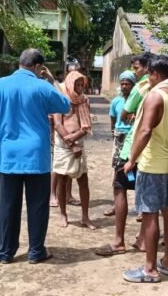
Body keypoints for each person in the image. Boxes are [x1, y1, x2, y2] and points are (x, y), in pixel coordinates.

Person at [0, 49, 70, 264]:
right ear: (39, 67)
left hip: (9, 154)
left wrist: (3, 128)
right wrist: (52, 81)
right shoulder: (42, 86)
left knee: (7, 206)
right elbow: (65, 105)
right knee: (38, 205)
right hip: (35, 155)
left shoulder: (0, 84)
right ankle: (36, 251)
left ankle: (5, 253)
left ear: (20, 63)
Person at [122, 54, 168, 284]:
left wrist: (131, 159)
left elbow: (145, 130)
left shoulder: (155, 96)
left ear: (156, 74)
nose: (146, 78)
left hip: (153, 164)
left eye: (148, 74)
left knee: (150, 214)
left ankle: (149, 269)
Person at [52, 71, 96, 229]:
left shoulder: (84, 100)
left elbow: (86, 125)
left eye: (82, 84)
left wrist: (76, 136)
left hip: (79, 144)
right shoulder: (60, 100)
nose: (80, 87)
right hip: (64, 146)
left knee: (83, 180)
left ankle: (85, 216)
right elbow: (58, 124)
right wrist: (71, 144)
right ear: (70, 84)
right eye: (77, 84)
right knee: (62, 180)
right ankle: (63, 214)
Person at [119, 52, 153, 225]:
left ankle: (119, 237)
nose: (135, 72)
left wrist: (134, 117)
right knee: (149, 188)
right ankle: (144, 233)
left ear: (146, 68)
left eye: (136, 68)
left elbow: (123, 115)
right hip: (155, 148)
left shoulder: (140, 88)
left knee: (119, 186)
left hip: (135, 143)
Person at [102, 70, 137, 218]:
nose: (124, 86)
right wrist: (114, 133)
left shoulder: (138, 101)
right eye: (122, 83)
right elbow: (112, 119)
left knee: (136, 171)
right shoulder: (116, 101)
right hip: (119, 138)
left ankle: (141, 208)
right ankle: (117, 205)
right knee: (117, 172)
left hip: (133, 138)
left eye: (127, 84)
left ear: (133, 85)